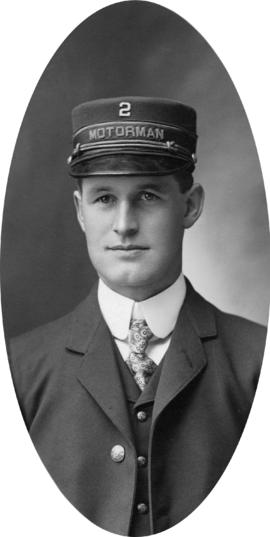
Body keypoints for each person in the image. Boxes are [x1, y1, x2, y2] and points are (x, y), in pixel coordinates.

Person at [8, 96, 266, 536]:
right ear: (79, 212)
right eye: (105, 198)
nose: (124, 224)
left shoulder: (255, 362)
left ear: (190, 206)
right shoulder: (21, 369)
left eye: (148, 195)